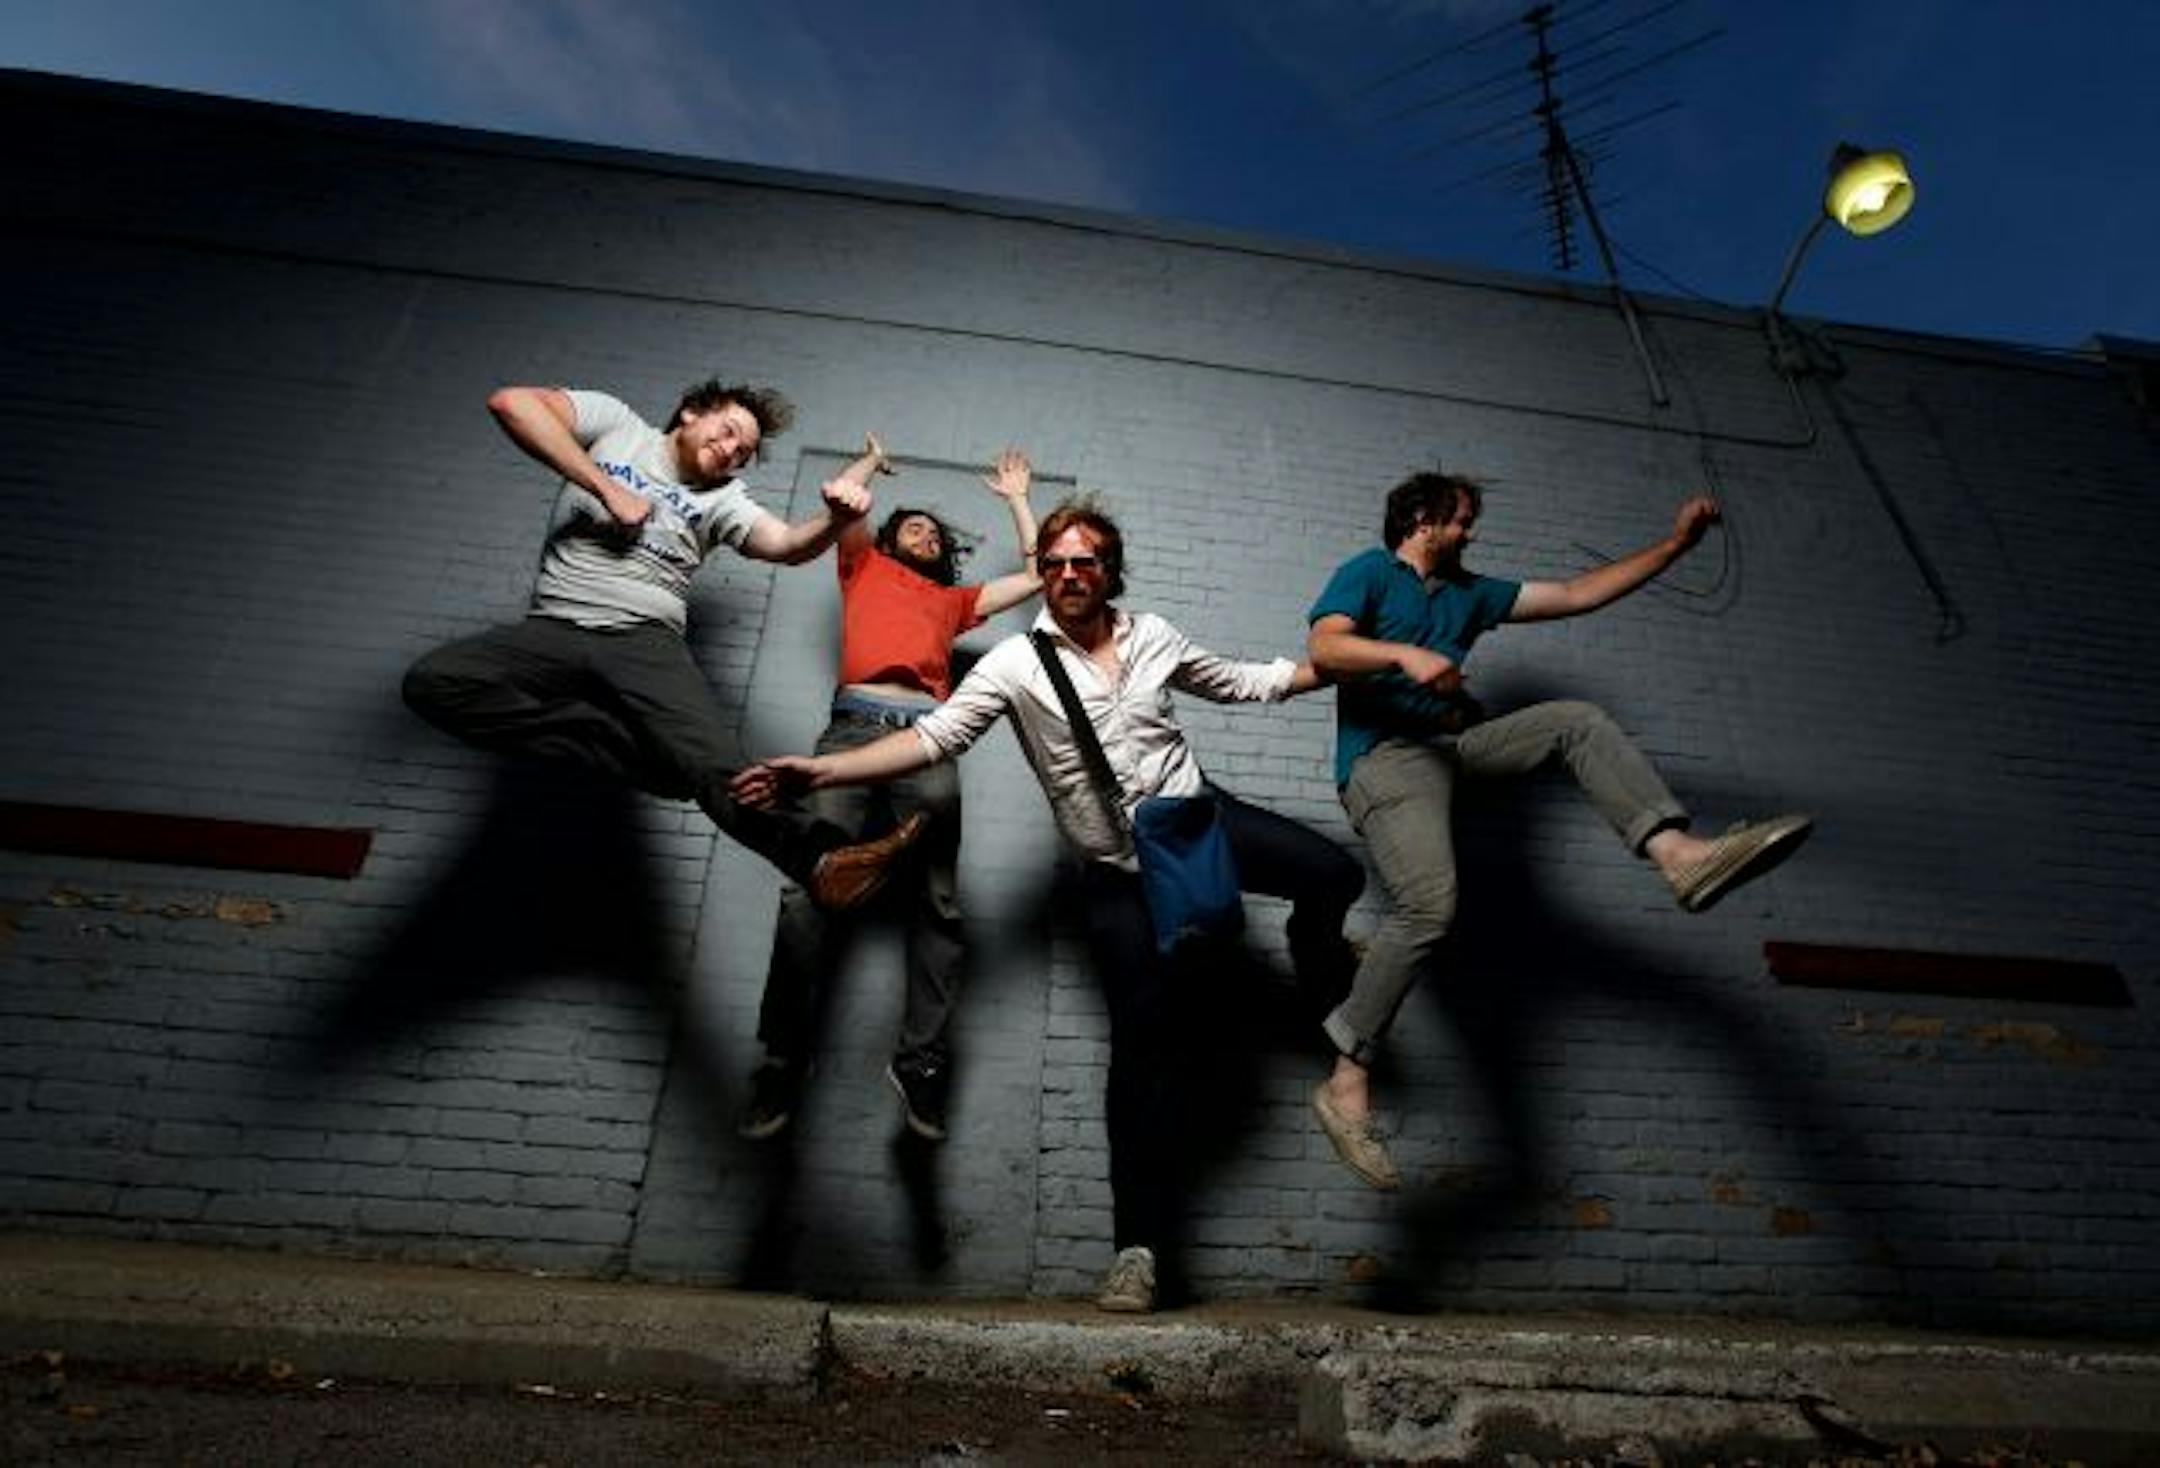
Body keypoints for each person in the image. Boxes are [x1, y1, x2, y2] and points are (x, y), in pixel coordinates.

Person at [731, 499, 1365, 1313]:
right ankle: (1136, 1253)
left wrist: (1346, 665)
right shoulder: (1014, 666)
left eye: (1087, 562)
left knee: (1333, 878)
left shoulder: (1154, 636)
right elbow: (934, 739)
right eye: (1057, 563)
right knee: (1144, 1056)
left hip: (1194, 825)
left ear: (1110, 573)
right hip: (1116, 879)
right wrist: (819, 773)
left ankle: (1326, 987)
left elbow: (1247, 682)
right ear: (1046, 573)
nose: (1070, 575)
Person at [1303, 468, 1813, 1190]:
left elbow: (1578, 594)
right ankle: (1346, 1080)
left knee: (1574, 721)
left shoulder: (1472, 593)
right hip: (1385, 760)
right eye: (1460, 519)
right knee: (1428, 906)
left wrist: (1674, 545)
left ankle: (1678, 856)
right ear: (1421, 518)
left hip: (1454, 747)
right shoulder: (1370, 573)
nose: (1470, 532)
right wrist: (1404, 654)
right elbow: (1326, 649)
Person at [402, 380, 926, 910]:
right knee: (435, 682)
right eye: (727, 432)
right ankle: (615, 740)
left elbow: (788, 546)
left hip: (645, 643)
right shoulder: (615, 426)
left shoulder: (724, 500)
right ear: (690, 413)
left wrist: (838, 519)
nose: (730, 451)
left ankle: (823, 860)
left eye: (742, 453)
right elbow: (512, 404)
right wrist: (608, 489)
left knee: (719, 767)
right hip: (553, 628)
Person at [739, 439, 1043, 1145]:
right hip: (849, 735)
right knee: (805, 889)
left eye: (936, 535)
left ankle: (922, 1063)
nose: (926, 534)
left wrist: (1019, 498)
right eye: (915, 526)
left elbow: (1034, 577)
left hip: (925, 742)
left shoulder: (954, 601)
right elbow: (843, 506)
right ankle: (783, 1059)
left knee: (938, 902)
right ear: (890, 536)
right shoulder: (862, 563)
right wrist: (869, 465)